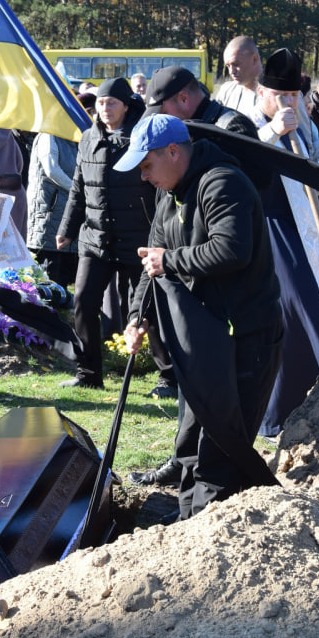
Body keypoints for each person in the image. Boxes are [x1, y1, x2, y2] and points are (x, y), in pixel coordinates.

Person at [121, 114, 283, 521]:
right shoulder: (169, 192)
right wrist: (137, 317)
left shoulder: (222, 182)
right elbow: (151, 260)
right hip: (207, 338)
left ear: (173, 152)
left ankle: (214, 531)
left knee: (222, 445)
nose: (143, 176)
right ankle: (188, 518)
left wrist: (169, 260)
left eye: (146, 165)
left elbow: (231, 250)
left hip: (247, 335)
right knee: (192, 436)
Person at [57, 77, 176, 396]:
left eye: (112, 103)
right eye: (101, 103)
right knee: (83, 302)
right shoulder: (87, 139)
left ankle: (168, 377)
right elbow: (78, 188)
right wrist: (67, 229)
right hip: (94, 240)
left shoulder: (141, 136)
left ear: (126, 105)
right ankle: (88, 372)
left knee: (148, 308)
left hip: (138, 239)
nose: (105, 108)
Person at [251, 49, 319, 437]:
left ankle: (315, 403)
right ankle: (279, 412)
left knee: (312, 309)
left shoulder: (304, 127)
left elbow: (304, 170)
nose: (289, 103)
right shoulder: (251, 120)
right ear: (264, 94)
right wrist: (273, 130)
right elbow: (245, 156)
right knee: (291, 314)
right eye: (281, 96)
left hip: (306, 229)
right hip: (271, 230)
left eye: (294, 97)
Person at [27, 125, 80, 287]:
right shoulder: (48, 135)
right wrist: (78, 190)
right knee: (48, 283)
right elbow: (52, 170)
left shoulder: (74, 139)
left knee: (63, 282)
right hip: (48, 221)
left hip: (66, 221)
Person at [216, 35, 264, 121]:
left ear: (255, 59)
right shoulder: (226, 91)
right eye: (228, 66)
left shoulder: (276, 94)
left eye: (236, 64)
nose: (231, 71)